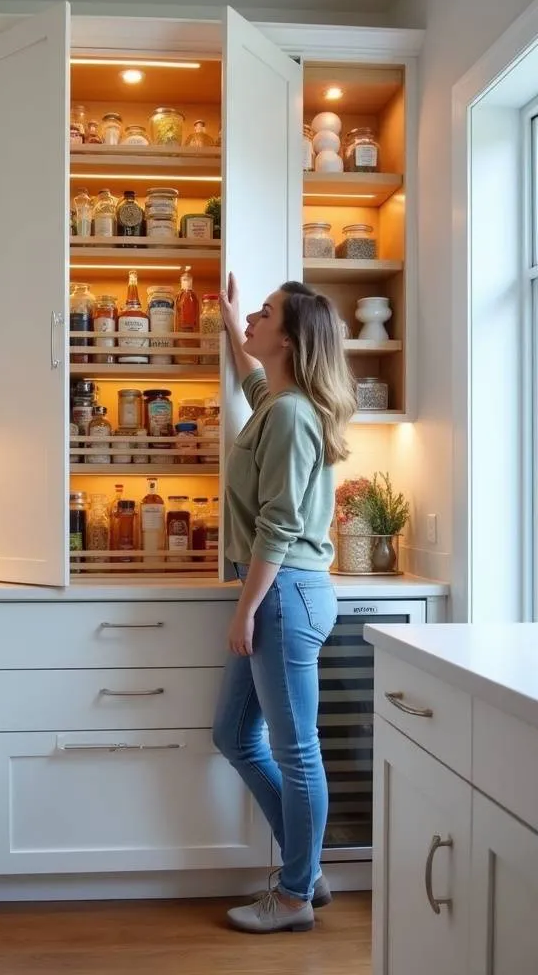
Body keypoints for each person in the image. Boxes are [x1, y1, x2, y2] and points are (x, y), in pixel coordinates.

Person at [212, 274, 356, 934]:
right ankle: (306, 866)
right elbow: (251, 384)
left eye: (264, 314)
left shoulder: (294, 416)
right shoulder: (279, 403)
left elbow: (279, 523)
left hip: (282, 595)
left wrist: (245, 610)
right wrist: (230, 318)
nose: (255, 320)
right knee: (234, 735)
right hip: (279, 591)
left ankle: (296, 894)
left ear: (292, 339)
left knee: (296, 749)